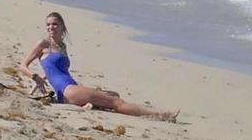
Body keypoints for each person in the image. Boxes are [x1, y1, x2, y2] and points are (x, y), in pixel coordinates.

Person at [20, 12, 178, 121]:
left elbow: (52, 72)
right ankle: (159, 114)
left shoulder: (62, 46)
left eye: (54, 24)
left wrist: (37, 85)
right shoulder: (43, 44)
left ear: (62, 26)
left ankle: (90, 103)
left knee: (114, 94)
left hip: (72, 87)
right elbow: (23, 65)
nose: (50, 27)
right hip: (68, 91)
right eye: (48, 25)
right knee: (115, 102)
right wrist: (34, 77)